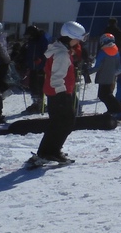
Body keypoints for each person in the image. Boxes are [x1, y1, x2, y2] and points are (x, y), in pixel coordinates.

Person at [31, 21, 86, 166]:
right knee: (66, 123)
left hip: (55, 92)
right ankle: (52, 152)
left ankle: (46, 151)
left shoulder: (60, 50)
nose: (79, 41)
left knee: (56, 123)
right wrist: (62, 94)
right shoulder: (61, 54)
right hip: (59, 93)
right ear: (70, 37)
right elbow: (57, 77)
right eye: (77, 38)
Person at [92, 33, 121, 118]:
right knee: (106, 94)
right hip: (111, 76)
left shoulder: (102, 52)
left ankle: (117, 110)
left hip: (103, 76)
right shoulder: (116, 51)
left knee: (104, 95)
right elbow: (118, 66)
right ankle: (112, 110)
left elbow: (97, 67)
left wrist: (87, 71)